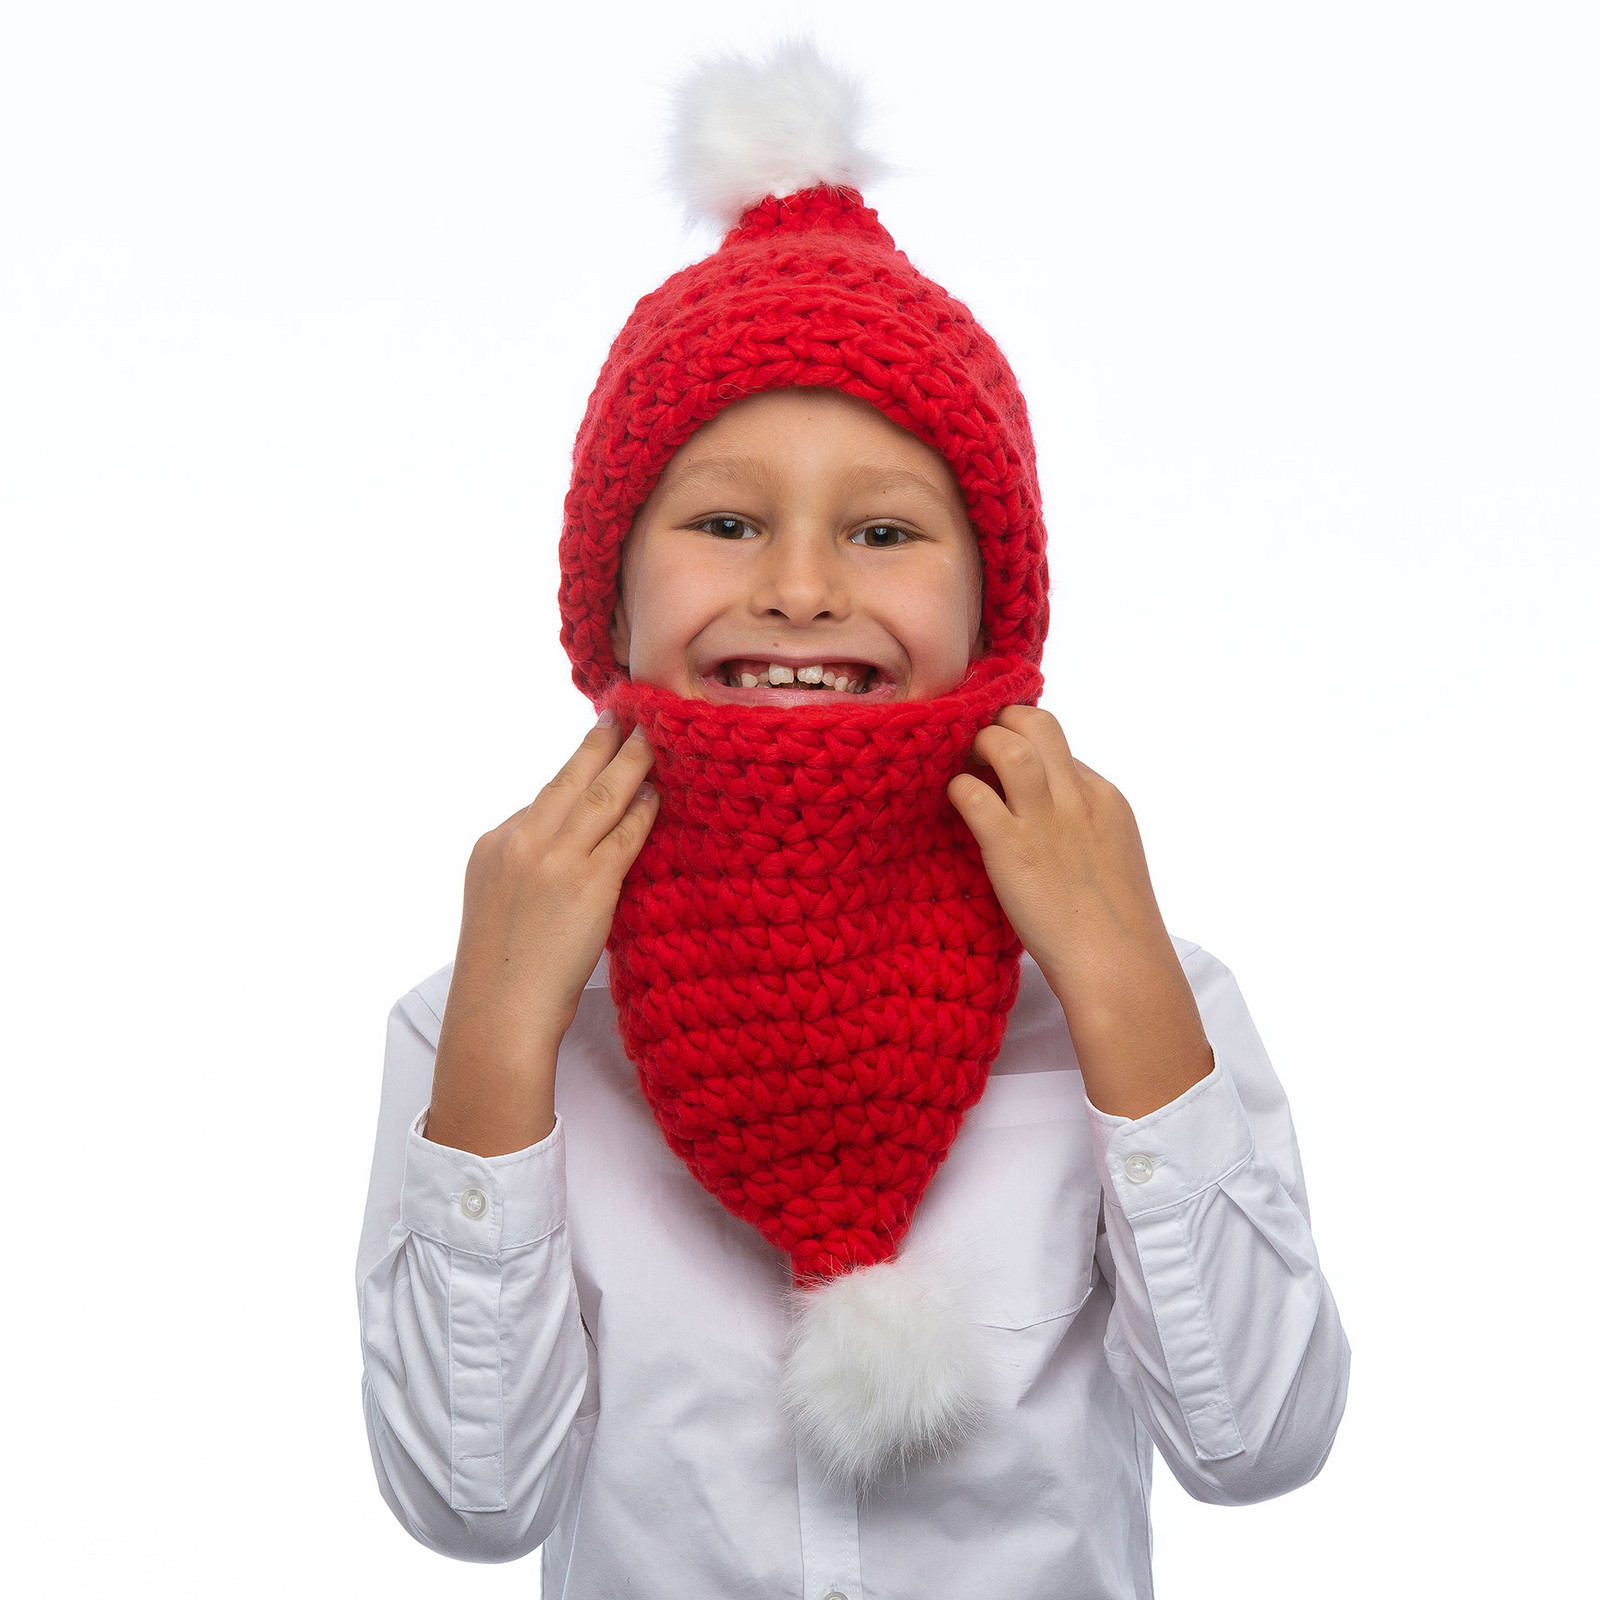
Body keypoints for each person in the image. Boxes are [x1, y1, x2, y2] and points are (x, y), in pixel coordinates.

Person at [355, 37, 1350, 1598]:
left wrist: (1117, 978)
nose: (803, 588)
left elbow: (1262, 1443)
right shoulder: (489, 1020)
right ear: (611, 595)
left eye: (884, 531)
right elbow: (467, 1503)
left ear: (995, 606)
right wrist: (499, 1041)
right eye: (726, 521)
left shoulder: (1139, 999)